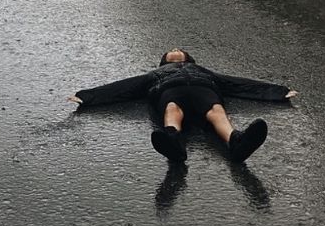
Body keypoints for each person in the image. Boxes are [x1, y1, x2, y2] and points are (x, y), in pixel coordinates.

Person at [68, 48, 297, 164]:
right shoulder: (156, 73)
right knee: (172, 109)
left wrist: (278, 91)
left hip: (204, 89)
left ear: (188, 58)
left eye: (180, 50)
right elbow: (125, 87)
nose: (175, 49)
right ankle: (173, 141)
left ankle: (236, 142)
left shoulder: (204, 71)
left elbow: (236, 84)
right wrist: (87, 97)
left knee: (216, 111)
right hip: (169, 90)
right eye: (171, 51)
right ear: (165, 60)